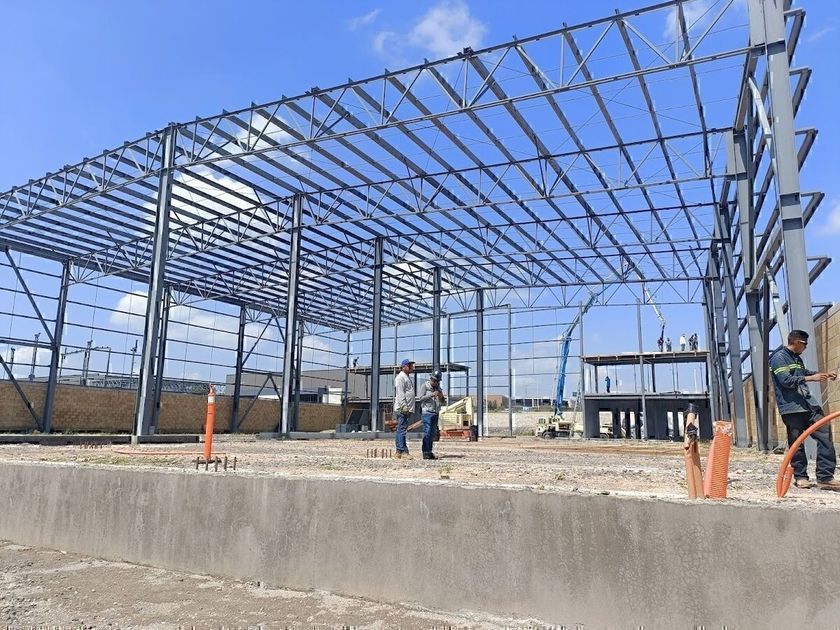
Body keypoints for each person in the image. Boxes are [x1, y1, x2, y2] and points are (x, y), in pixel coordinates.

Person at [770, 330, 839, 490]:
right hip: (792, 408)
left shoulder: (796, 359)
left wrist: (822, 375)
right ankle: (801, 477)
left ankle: (825, 477)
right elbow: (786, 380)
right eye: (805, 344)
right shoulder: (778, 358)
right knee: (797, 443)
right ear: (797, 342)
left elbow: (803, 373)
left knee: (825, 436)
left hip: (809, 405)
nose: (805, 347)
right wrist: (811, 378)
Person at [417, 370, 446, 460]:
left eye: (437, 381)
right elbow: (420, 398)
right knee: (427, 432)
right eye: (434, 381)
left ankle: (429, 451)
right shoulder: (425, 386)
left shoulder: (438, 388)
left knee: (432, 433)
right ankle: (425, 452)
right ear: (431, 379)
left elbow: (443, 402)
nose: (436, 383)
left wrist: (441, 397)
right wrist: (432, 395)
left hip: (435, 413)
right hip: (427, 412)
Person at [393, 358, 416, 459]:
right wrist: (404, 407)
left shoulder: (406, 377)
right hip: (403, 408)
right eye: (409, 365)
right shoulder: (400, 378)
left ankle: (398, 451)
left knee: (401, 429)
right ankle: (403, 451)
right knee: (402, 429)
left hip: (406, 408)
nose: (412, 367)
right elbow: (400, 393)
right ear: (404, 367)